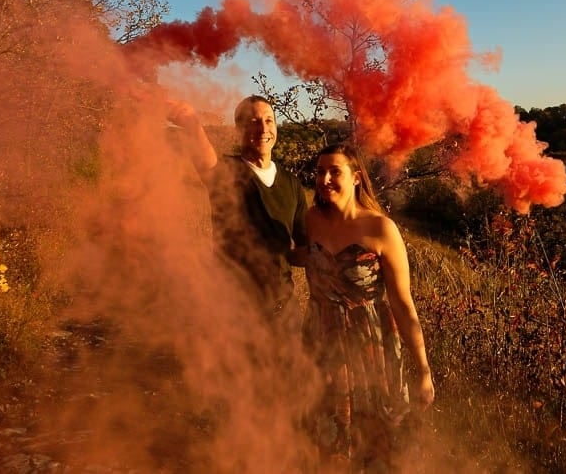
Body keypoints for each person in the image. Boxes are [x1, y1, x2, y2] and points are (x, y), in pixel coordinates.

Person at [298, 143, 435, 471]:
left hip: (370, 343)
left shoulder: (380, 228)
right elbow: (302, 256)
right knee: (325, 434)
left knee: (374, 438)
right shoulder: (310, 219)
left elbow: (403, 304)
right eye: (319, 172)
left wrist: (423, 370)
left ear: (356, 177)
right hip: (320, 338)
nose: (325, 179)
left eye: (335, 172)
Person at [168, 95, 308, 319]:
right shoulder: (226, 172)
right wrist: (192, 124)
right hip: (236, 314)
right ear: (239, 128)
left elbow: (303, 252)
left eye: (269, 120)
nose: (263, 129)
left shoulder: (292, 183)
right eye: (253, 121)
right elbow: (205, 161)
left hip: (284, 313)